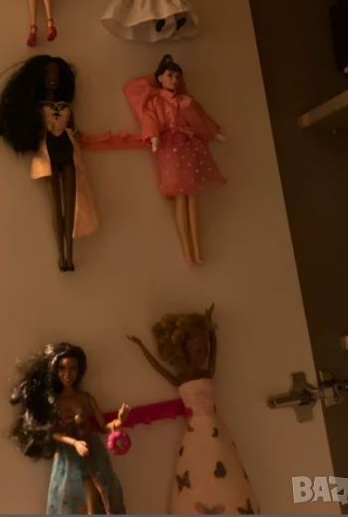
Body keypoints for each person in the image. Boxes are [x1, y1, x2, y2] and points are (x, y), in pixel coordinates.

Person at [127, 305, 258, 514]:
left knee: (226, 467)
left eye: (204, 350)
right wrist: (141, 346)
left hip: (217, 428)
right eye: (198, 350)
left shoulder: (208, 371)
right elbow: (158, 367)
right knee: (197, 470)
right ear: (184, 351)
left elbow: (215, 351)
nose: (203, 355)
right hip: (194, 431)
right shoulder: (181, 378)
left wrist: (211, 328)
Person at [0, 55, 98, 271]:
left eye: (56, 74)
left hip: (67, 150)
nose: (53, 77)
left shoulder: (66, 105)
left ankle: (70, 254)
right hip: (48, 152)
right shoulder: (38, 106)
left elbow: (72, 128)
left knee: (70, 205)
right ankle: (61, 255)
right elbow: (37, 127)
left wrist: (78, 134)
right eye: (49, 73)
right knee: (56, 206)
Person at [124, 55, 226, 265]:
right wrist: (154, 138)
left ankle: (197, 249)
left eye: (177, 76)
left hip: (188, 146)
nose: (174, 80)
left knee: (191, 197)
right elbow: (151, 120)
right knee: (181, 197)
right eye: (170, 75)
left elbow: (199, 119)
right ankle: (188, 251)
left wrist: (213, 132)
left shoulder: (185, 101)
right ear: (160, 78)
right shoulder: (156, 102)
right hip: (170, 148)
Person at [10, 342, 128, 514]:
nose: (67, 374)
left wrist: (118, 421)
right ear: (55, 371)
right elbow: (53, 432)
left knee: (101, 494)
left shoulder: (86, 398)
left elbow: (103, 427)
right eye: (62, 368)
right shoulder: (55, 402)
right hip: (69, 457)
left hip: (92, 452)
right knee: (75, 499)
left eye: (73, 368)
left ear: (79, 371)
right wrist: (74, 443)